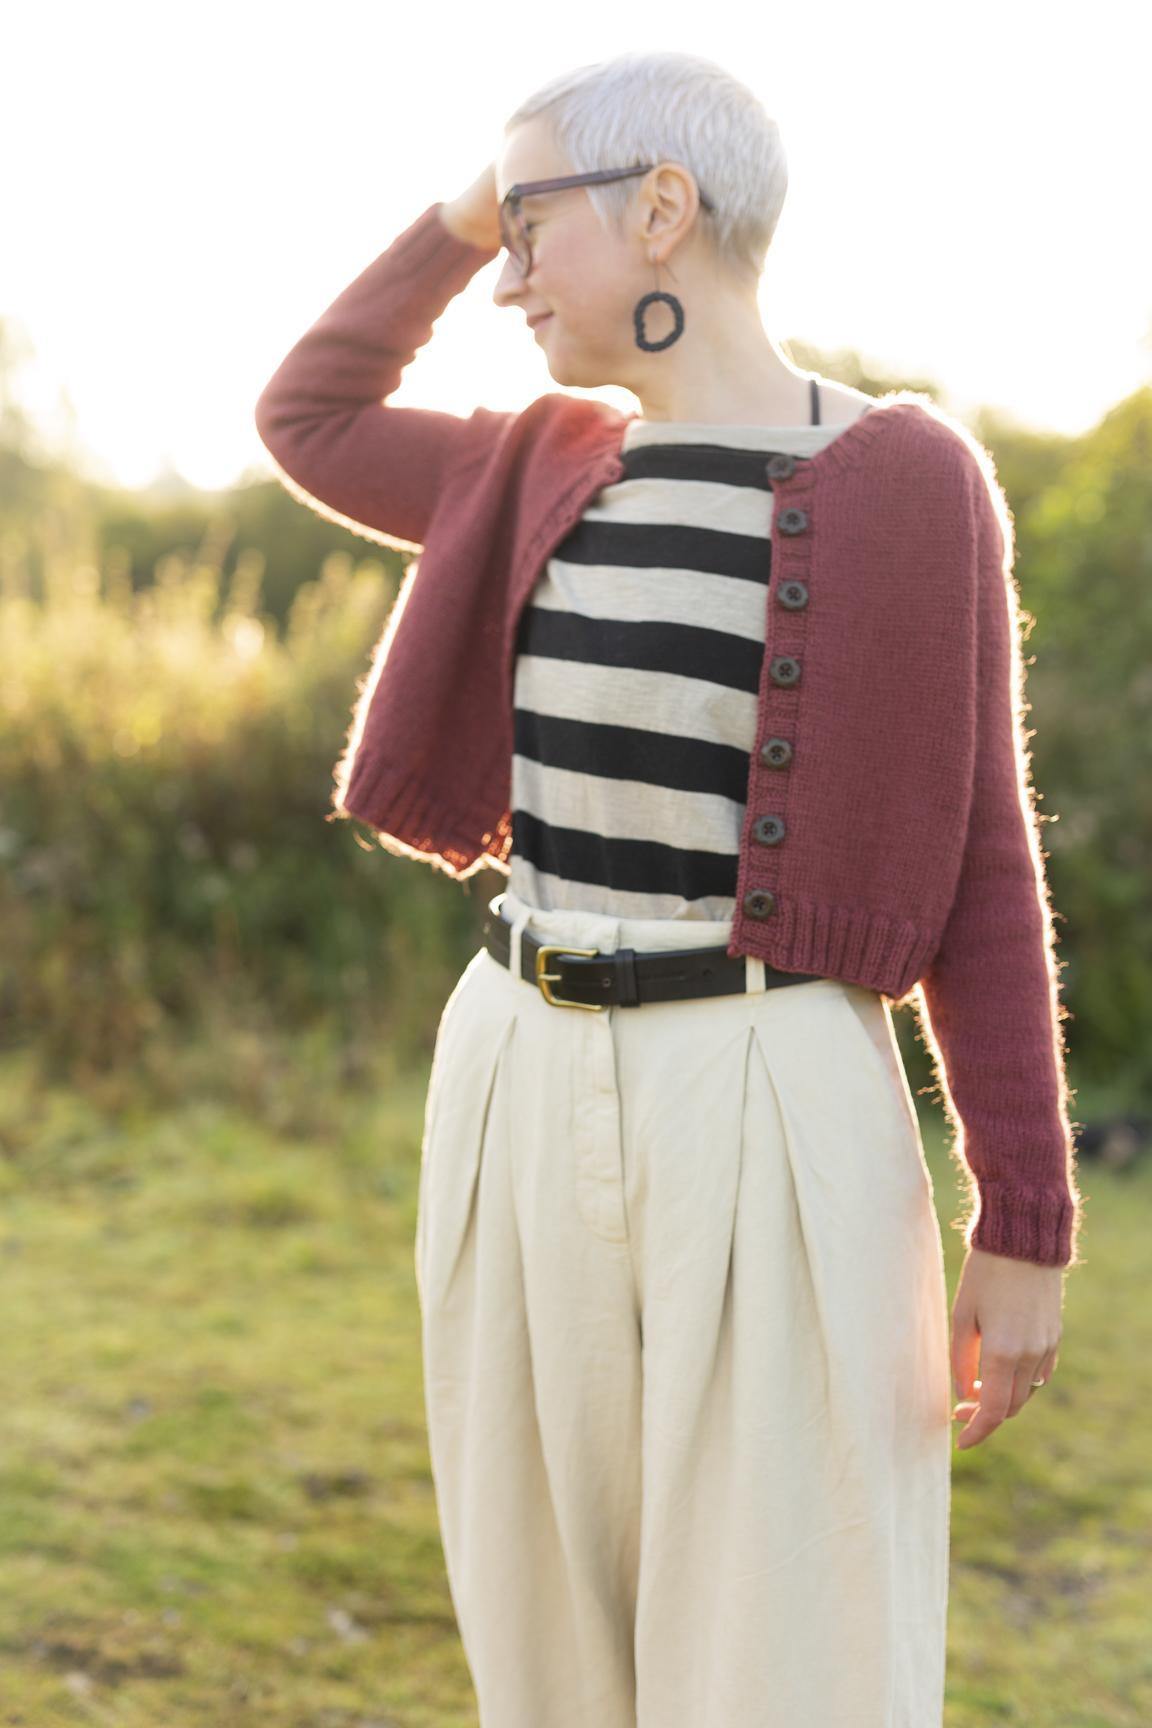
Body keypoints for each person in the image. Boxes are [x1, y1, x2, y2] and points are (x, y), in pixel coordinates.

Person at [254, 49, 1082, 1728]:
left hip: (772, 1085)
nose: (505, 279)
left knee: (796, 1634)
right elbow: (309, 415)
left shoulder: (910, 482)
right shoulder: (530, 464)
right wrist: (465, 204)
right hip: (515, 1063)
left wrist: (1025, 1217)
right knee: (545, 1621)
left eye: (529, 229)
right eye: (497, 236)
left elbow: (983, 856)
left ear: (663, 209)